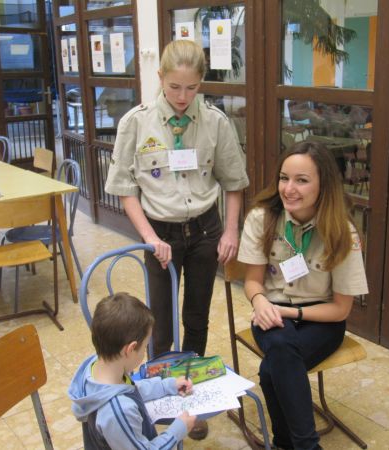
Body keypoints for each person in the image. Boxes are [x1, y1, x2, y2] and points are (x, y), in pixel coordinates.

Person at [104, 39, 248, 439]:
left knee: (197, 318)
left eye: (192, 88)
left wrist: (231, 229)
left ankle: (193, 400)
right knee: (160, 325)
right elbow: (125, 188)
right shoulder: (136, 121)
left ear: (202, 82)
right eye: (174, 88)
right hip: (160, 234)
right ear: (160, 78)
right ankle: (160, 403)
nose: (183, 98)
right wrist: (150, 237)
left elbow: (233, 183)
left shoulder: (217, 122)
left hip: (205, 231)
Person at [237, 141, 368, 450]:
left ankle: (285, 442)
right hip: (271, 312)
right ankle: (308, 446)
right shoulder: (262, 218)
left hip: (321, 320)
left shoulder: (342, 231)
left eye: (302, 180)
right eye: (284, 178)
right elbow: (253, 283)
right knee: (280, 347)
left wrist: (292, 314)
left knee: (273, 369)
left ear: (324, 185)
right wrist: (260, 302)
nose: (289, 189)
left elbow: (340, 310)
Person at [68, 292, 196, 449]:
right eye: (144, 347)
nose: (144, 352)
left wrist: (167, 386)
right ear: (130, 349)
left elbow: (130, 388)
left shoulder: (97, 368)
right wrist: (177, 431)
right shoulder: (119, 411)